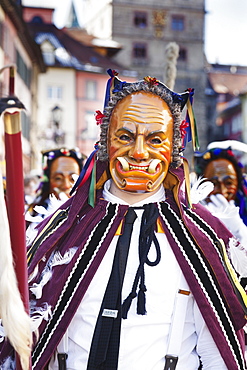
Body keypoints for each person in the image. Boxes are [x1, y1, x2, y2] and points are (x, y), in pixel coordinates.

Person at [2, 71, 247, 369]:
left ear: (173, 150)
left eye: (156, 139)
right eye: (126, 136)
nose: (140, 152)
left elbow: (217, 351)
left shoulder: (201, 238)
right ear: (106, 141)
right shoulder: (61, 228)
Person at [194, 143, 247, 283]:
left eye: (228, 182)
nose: (222, 191)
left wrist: (239, 230)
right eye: (213, 183)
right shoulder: (188, 213)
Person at [25, 147, 86, 229]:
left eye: (73, 178)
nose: (66, 185)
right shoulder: (33, 213)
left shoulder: (88, 215)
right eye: (58, 178)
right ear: (48, 180)